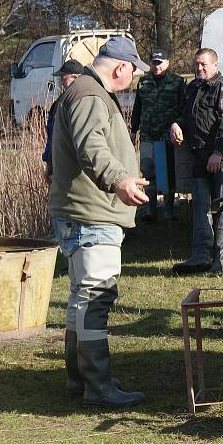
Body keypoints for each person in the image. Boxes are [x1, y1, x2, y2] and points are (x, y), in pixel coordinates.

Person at [49, 36, 150, 407]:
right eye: (133, 72)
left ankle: (81, 379)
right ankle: (97, 385)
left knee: (81, 297)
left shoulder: (83, 92)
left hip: (83, 213)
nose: (133, 80)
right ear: (121, 67)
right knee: (95, 296)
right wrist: (119, 180)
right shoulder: (91, 96)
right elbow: (91, 147)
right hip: (93, 213)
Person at [170, 48, 223, 274]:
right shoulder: (193, 88)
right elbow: (185, 113)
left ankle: (219, 260)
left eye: (204, 64)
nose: (200, 68)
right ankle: (199, 257)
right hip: (199, 155)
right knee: (200, 208)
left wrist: (218, 153)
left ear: (215, 65)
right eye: (197, 64)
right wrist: (176, 124)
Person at [130, 48, 186, 221]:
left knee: (167, 172)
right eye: (154, 62)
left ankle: (168, 211)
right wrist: (133, 130)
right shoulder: (143, 82)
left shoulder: (177, 82)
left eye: (160, 63)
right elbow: (137, 108)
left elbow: (183, 107)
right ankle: (150, 209)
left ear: (167, 63)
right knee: (148, 170)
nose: (157, 66)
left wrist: (179, 126)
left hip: (166, 134)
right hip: (147, 134)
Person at [42, 59, 84, 183]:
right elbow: (52, 136)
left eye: (63, 78)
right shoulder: (58, 103)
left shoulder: (83, 102)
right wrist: (49, 165)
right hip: (59, 166)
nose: (61, 82)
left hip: (69, 170)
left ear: (76, 78)